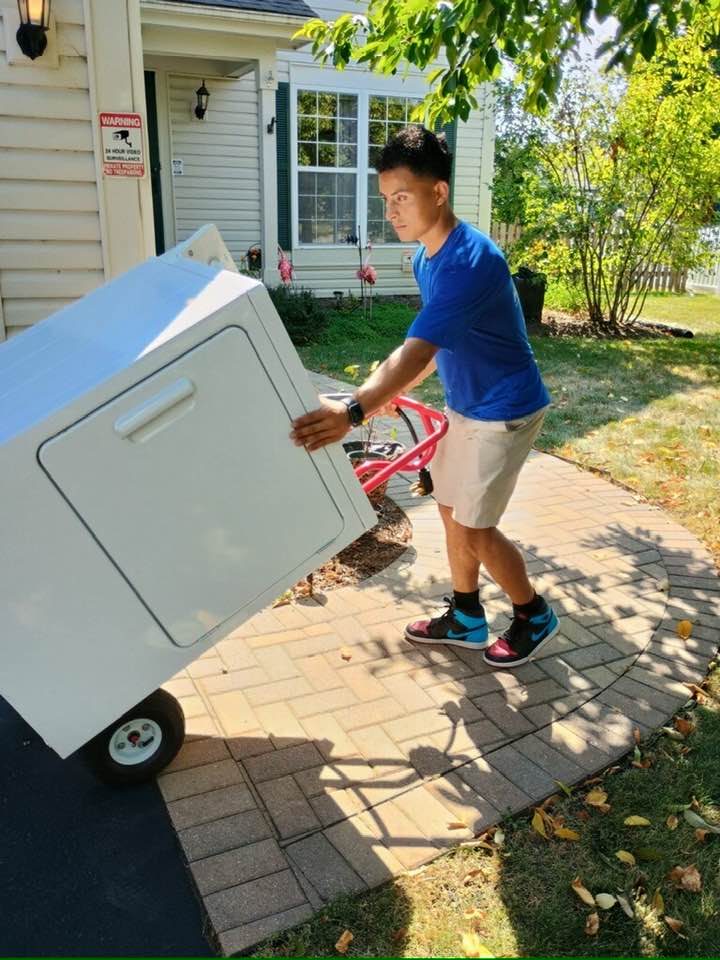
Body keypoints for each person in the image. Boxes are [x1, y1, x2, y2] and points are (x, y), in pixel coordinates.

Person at [290, 125, 559, 668]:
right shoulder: (424, 257)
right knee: (447, 504)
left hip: (505, 408)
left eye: (402, 198)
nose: (391, 211)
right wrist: (389, 390)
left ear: (438, 192)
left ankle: (534, 614)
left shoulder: (471, 261)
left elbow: (416, 351)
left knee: (476, 527)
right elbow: (433, 344)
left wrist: (354, 409)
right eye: (386, 199)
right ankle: (465, 616)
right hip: (467, 405)